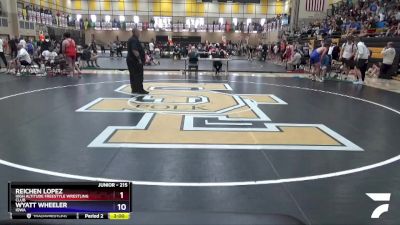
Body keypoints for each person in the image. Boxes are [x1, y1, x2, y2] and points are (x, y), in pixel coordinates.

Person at [126, 28, 148, 94]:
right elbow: (134, 50)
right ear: (135, 32)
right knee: (138, 75)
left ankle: (134, 89)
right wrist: (139, 60)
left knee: (133, 75)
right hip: (135, 61)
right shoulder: (134, 40)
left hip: (131, 61)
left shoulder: (132, 39)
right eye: (138, 32)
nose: (140, 33)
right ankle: (140, 90)